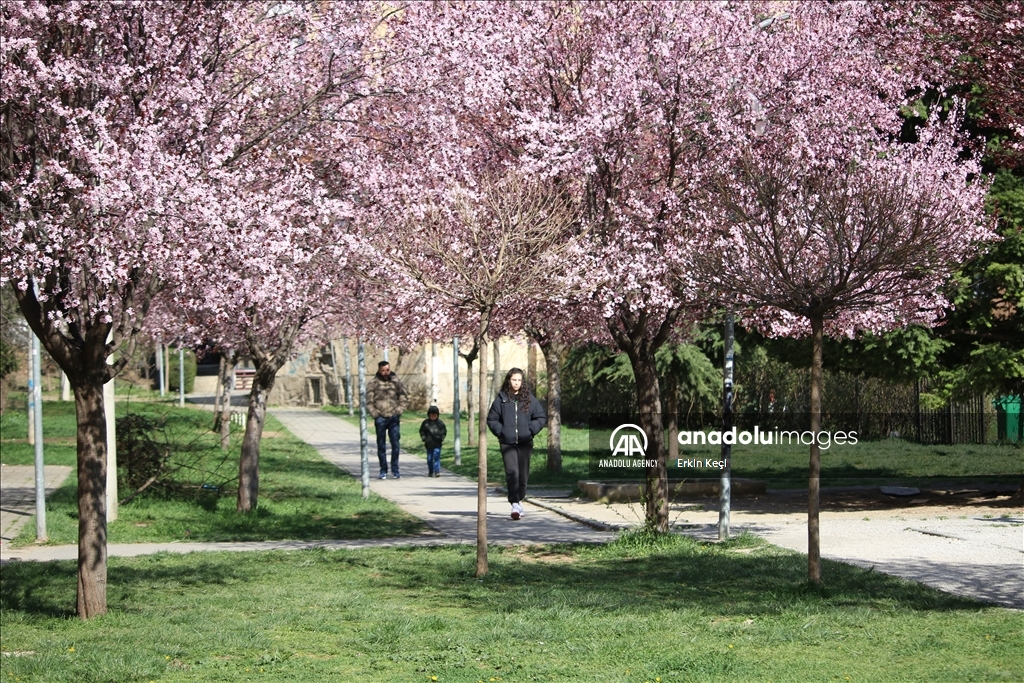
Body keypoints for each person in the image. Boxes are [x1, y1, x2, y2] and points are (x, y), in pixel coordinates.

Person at [487, 367, 546, 520]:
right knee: (512, 472)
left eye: (519, 380)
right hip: (507, 443)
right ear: (509, 380)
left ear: (522, 382)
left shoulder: (529, 399)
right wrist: (502, 432)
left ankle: (519, 500)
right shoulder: (502, 399)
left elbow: (540, 417)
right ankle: (514, 503)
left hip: (525, 442)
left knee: (523, 475)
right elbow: (492, 419)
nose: (516, 383)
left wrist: (530, 430)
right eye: (514, 380)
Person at [366, 360, 409, 479]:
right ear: (379, 370)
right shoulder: (373, 383)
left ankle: (395, 469)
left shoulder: (396, 382)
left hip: (393, 417)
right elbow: (369, 401)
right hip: (380, 418)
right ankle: (383, 470)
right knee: (381, 445)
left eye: (388, 370)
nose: (386, 372)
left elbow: (403, 396)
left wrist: (399, 410)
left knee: (395, 443)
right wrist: (375, 414)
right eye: (383, 370)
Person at [419, 405, 447, 477]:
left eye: (435, 415)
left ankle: (437, 471)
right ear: (429, 415)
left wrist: (441, 438)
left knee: (436, 457)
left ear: (437, 415)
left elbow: (444, 431)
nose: (433, 416)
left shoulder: (440, 423)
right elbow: (422, 431)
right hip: (429, 444)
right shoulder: (426, 423)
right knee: (429, 459)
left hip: (437, 443)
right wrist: (424, 438)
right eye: (431, 414)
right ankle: (431, 471)